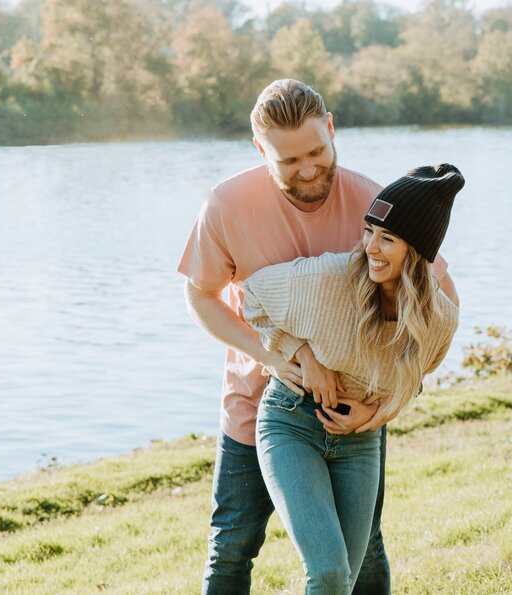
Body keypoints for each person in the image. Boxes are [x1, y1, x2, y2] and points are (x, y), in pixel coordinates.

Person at [177, 79, 458, 594]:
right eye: (288, 161)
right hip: (258, 402)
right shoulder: (225, 205)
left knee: (364, 548)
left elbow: (436, 302)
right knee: (233, 542)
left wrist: (391, 402)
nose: (308, 170)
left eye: (316, 152)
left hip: (353, 410)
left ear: (331, 129)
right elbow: (201, 296)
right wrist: (277, 357)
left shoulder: (376, 202)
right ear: (260, 150)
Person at [241, 164, 463, 593]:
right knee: (327, 572)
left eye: (387, 239)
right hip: (292, 421)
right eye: (368, 231)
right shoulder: (330, 278)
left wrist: (377, 412)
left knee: (346, 578)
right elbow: (252, 295)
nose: (370, 248)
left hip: (360, 441)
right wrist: (304, 356)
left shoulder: (439, 320)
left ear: (417, 251)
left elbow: (416, 377)